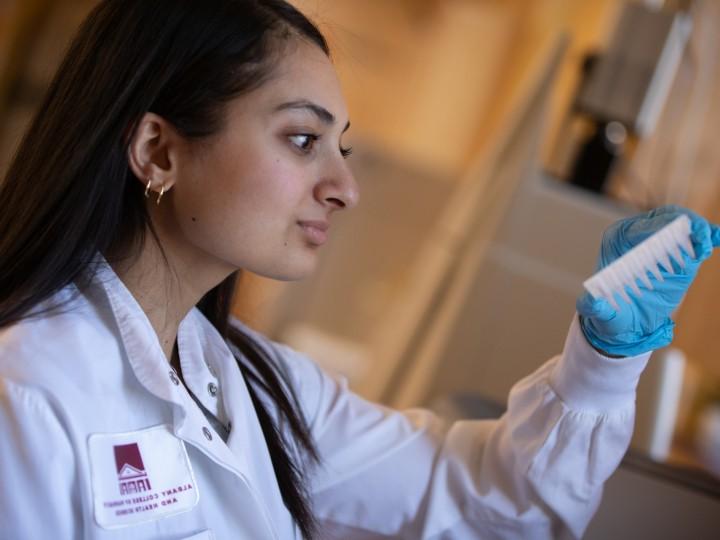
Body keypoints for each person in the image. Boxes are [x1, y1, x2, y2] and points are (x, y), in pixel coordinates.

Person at [0, 1, 718, 538]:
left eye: (340, 147)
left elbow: (483, 498)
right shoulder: (28, 393)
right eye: (303, 139)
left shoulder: (256, 383)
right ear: (159, 152)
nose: (345, 188)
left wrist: (601, 361)